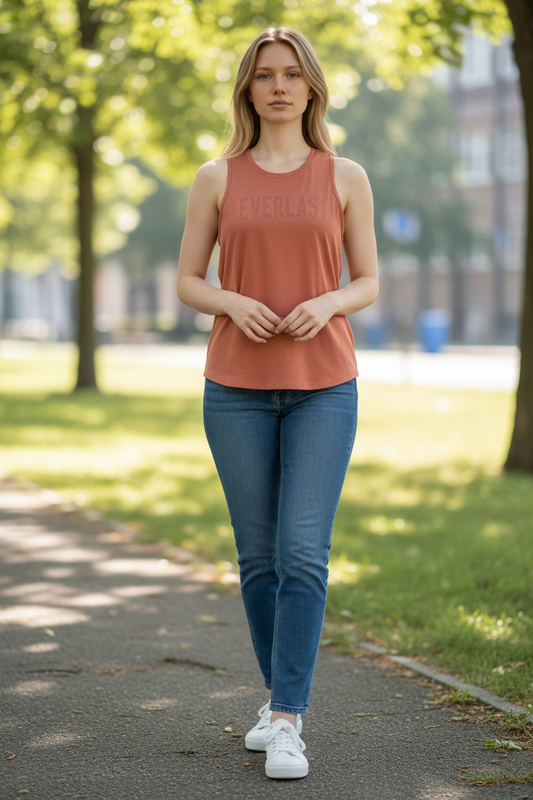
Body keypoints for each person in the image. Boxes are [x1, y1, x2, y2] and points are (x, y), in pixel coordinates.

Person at [177, 27, 378, 780]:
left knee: (302, 553)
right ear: (248, 89)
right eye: (265, 75)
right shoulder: (216, 177)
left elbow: (368, 280)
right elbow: (187, 279)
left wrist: (329, 302)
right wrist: (231, 301)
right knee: (258, 559)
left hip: (324, 385)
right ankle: (277, 699)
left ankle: (288, 717)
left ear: (312, 86)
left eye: (292, 74)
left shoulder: (345, 176)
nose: (280, 86)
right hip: (235, 390)